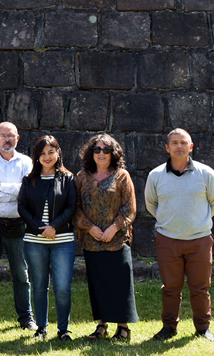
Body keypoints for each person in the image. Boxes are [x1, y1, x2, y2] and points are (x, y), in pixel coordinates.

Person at [145, 128, 214, 342]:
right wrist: (171, 224)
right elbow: (152, 205)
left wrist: (197, 224)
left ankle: (203, 328)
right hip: (168, 240)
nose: (179, 146)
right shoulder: (156, 175)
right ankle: (169, 327)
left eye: (183, 142)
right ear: (167, 148)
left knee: (200, 287)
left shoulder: (206, 173)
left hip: (199, 240)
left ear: (191, 146)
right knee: (170, 288)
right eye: (175, 143)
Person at [74, 134, 138, 341]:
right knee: (97, 283)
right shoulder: (82, 177)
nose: (101, 153)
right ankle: (101, 325)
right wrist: (89, 227)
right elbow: (75, 208)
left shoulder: (122, 176)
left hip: (117, 240)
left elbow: (130, 208)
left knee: (120, 283)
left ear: (114, 154)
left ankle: (123, 327)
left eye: (106, 150)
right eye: (97, 149)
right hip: (91, 240)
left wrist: (115, 228)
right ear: (91, 153)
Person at [17, 135, 77, 342]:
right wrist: (40, 228)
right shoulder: (29, 179)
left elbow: (71, 206)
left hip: (63, 241)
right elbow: (22, 207)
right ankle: (41, 328)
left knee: (62, 287)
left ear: (58, 153)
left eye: (51, 152)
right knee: (39, 286)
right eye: (42, 153)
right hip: (35, 241)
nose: (47, 156)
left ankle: (63, 330)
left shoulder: (68, 178)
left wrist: (54, 227)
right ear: (37, 157)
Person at [0, 122, 36, 331]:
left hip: (18, 223)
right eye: (3, 136)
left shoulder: (26, 162)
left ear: (17, 138)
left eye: (11, 136)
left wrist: (1, 188)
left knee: (21, 274)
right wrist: (15, 190)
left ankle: (26, 318)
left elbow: (28, 192)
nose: (7, 139)